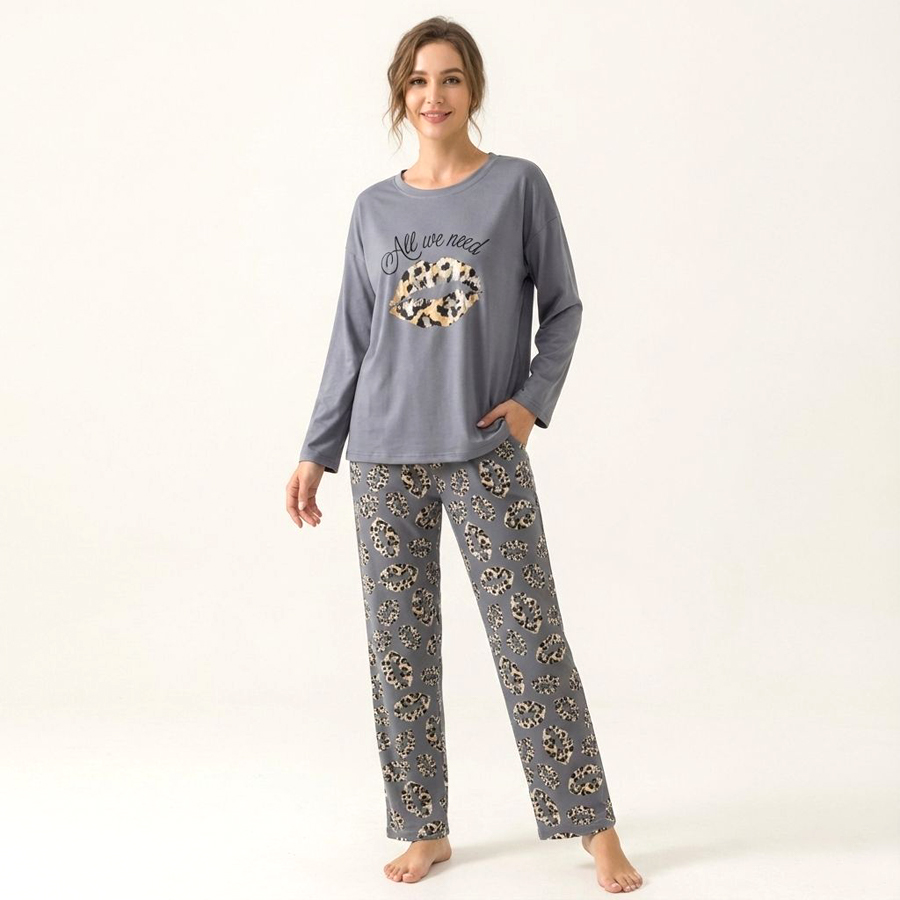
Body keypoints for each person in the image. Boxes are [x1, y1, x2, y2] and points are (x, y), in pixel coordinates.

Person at [285, 16, 643, 894]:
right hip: (382, 453)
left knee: (531, 639)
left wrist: (531, 403)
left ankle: (594, 827)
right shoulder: (374, 209)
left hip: (483, 448)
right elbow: (351, 339)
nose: (433, 95)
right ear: (400, 94)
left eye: (448, 78)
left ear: (473, 87)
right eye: (417, 80)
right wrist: (318, 449)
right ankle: (423, 828)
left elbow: (563, 307)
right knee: (398, 650)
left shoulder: (516, 186)